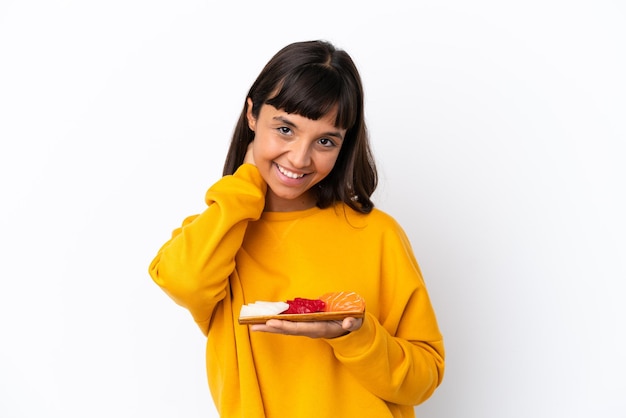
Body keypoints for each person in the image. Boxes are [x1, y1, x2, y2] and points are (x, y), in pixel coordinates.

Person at [149, 40, 445, 418]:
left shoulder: (377, 234)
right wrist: (245, 186)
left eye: (325, 141)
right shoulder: (219, 231)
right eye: (285, 129)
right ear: (252, 114)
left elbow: (425, 377)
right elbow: (182, 282)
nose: (300, 158)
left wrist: (354, 336)